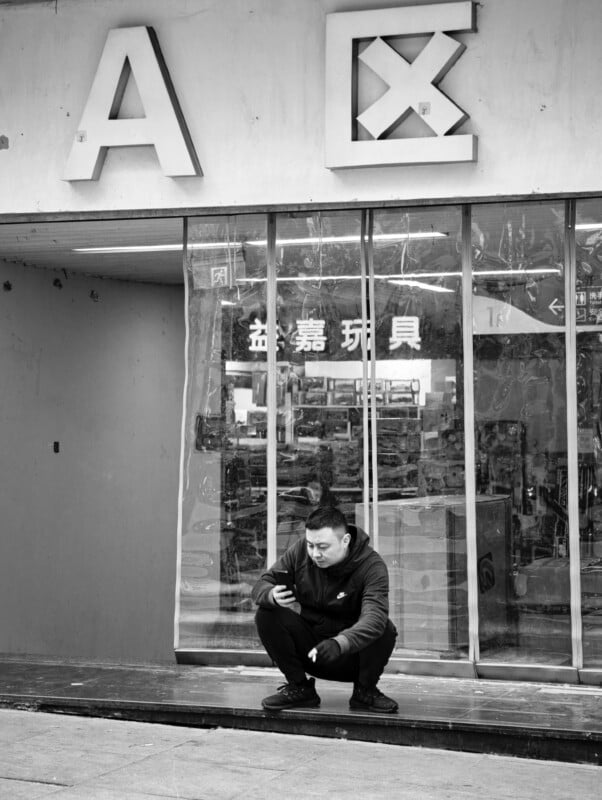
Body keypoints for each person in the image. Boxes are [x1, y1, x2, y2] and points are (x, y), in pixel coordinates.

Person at [252, 505, 398, 713]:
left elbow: (374, 618)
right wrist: (270, 594)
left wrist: (341, 642)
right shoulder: (301, 551)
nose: (314, 553)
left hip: (350, 655)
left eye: (322, 547)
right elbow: (262, 583)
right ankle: (300, 688)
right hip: (311, 650)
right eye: (311, 545)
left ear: (345, 541)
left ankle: (365, 692)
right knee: (267, 612)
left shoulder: (372, 566)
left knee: (384, 628)